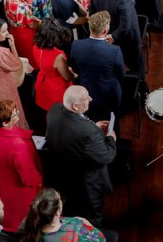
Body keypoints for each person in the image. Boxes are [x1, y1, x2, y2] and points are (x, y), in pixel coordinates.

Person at [45, 87, 117, 225]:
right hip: (87, 181)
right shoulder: (88, 132)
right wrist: (110, 138)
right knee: (92, 212)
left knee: (72, 205)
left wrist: (94, 127)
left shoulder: (54, 110)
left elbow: (71, 132)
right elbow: (106, 156)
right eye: (86, 99)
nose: (90, 100)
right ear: (75, 106)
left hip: (63, 172)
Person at [0, 99, 44, 232]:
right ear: (5, 122)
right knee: (22, 220)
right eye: (15, 113)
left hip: (0, 178)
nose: (17, 113)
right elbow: (29, 178)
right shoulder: (17, 145)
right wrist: (39, 179)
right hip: (18, 190)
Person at [89, 0, 144, 77]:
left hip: (105, 36)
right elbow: (126, 26)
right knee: (137, 67)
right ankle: (142, 88)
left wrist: (104, 35)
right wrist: (113, 37)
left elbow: (92, 14)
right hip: (127, 41)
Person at [70, 11, 125, 122]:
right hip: (109, 95)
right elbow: (121, 74)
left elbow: (75, 67)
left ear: (90, 28)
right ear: (105, 31)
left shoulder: (76, 46)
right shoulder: (114, 51)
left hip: (86, 92)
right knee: (111, 123)